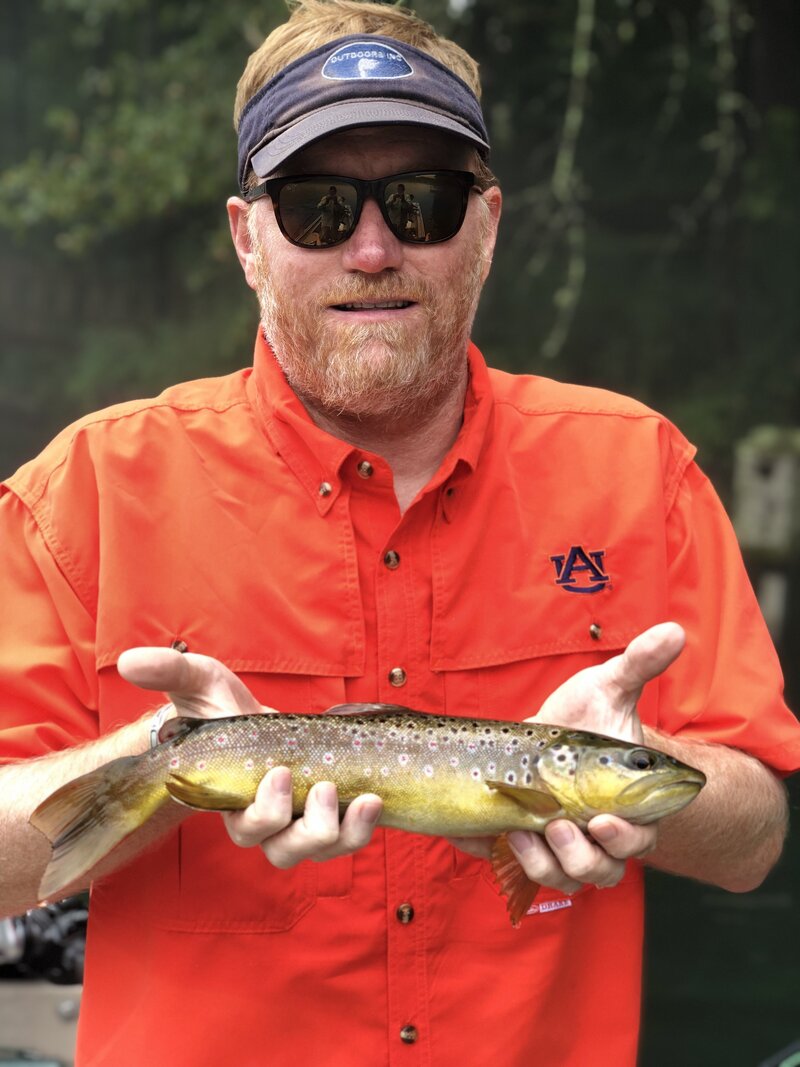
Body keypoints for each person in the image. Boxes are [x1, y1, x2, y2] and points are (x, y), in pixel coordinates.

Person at [0, 2, 798, 1064]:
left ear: (487, 223)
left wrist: (631, 771)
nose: (372, 248)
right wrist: (172, 768)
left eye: (422, 202)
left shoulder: (637, 468)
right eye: (316, 207)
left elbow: (751, 838)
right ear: (248, 237)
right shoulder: (85, 488)